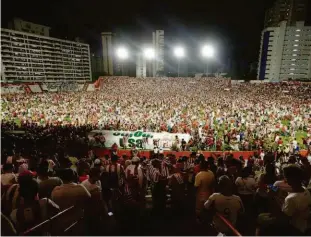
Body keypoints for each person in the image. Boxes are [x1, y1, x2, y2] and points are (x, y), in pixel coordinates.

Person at [257, 165, 311, 235]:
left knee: (261, 218)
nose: (285, 179)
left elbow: (284, 220)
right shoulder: (306, 190)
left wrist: (276, 203)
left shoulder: (291, 199)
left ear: (291, 179)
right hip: (303, 224)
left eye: (286, 177)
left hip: (293, 228)